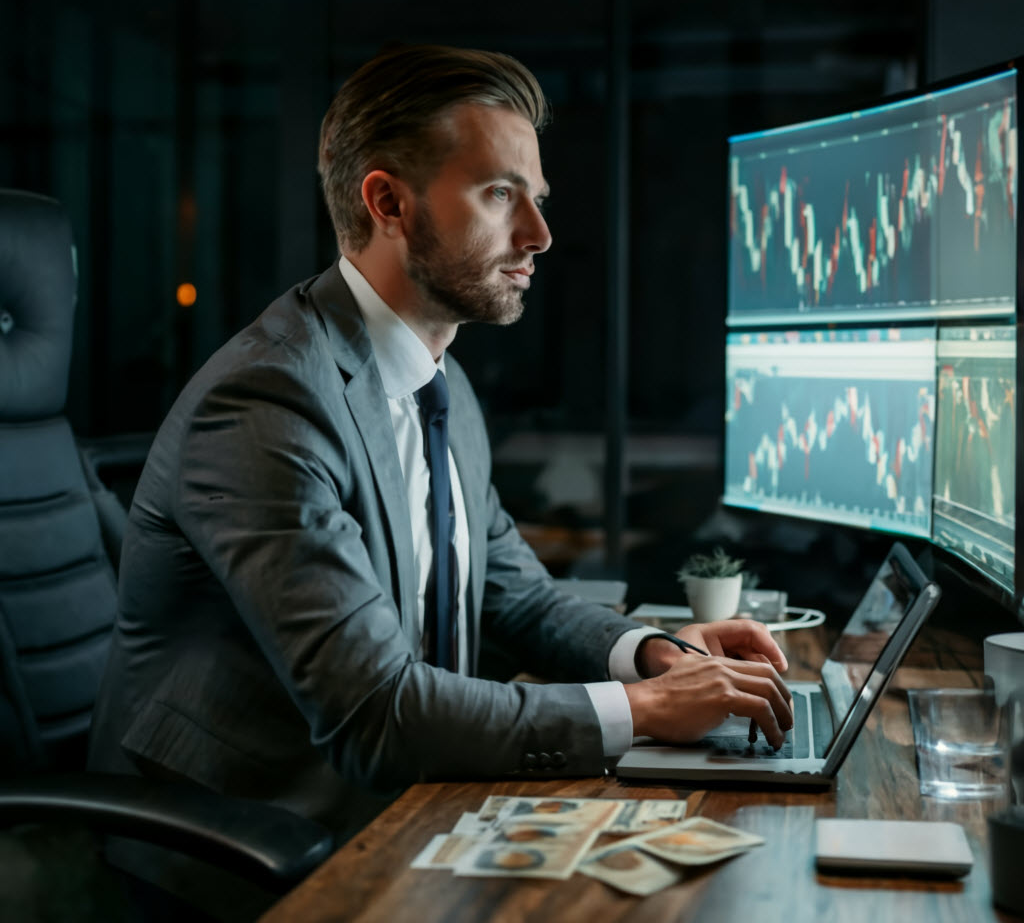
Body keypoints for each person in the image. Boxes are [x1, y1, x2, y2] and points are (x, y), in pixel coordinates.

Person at [89, 44, 792, 844]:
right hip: (252, 839)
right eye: (501, 194)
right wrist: (642, 712)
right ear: (389, 203)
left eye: (538, 197)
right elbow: (375, 713)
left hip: (403, 808)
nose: (540, 234)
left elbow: (514, 595)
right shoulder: (268, 401)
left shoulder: (440, 387)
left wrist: (654, 657)